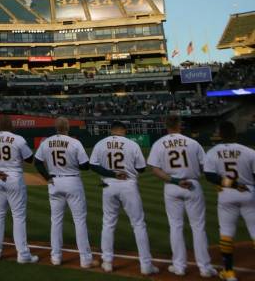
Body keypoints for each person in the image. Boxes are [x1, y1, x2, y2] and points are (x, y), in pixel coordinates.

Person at [147, 115, 216, 278]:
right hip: (192, 185)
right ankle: (205, 268)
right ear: (180, 125)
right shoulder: (193, 143)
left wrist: (175, 180)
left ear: (166, 126)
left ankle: (179, 266)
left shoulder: (159, 143)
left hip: (172, 186)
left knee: (176, 226)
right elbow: (205, 167)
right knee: (198, 227)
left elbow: (155, 170)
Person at [90, 121, 158, 275]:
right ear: (124, 131)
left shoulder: (101, 143)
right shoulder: (131, 144)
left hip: (108, 186)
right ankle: (146, 265)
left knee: (108, 223)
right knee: (138, 224)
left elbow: (93, 165)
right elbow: (141, 168)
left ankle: (107, 262)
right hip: (128, 185)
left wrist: (111, 173)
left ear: (112, 130)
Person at [34, 117, 96, 268]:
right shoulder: (74, 142)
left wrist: (47, 177)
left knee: (56, 221)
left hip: (54, 182)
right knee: (79, 221)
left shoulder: (46, 142)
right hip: (72, 181)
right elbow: (85, 166)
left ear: (56, 127)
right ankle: (85, 260)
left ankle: (55, 257)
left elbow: (37, 162)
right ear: (67, 127)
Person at [0, 115, 38, 263]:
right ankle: (23, 255)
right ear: (11, 125)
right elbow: (30, 159)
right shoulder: (18, 139)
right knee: (18, 216)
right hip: (14, 178)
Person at [203, 121, 255, 281]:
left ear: (220, 134)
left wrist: (231, 184)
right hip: (249, 193)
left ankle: (229, 272)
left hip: (226, 194)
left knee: (226, 232)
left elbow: (210, 176)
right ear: (235, 134)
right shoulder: (249, 151)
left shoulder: (212, 152)